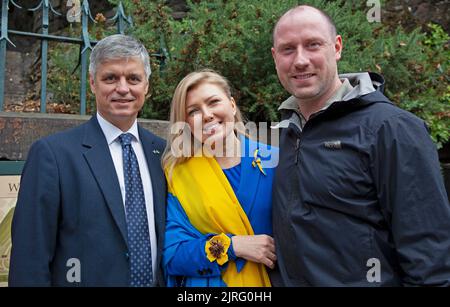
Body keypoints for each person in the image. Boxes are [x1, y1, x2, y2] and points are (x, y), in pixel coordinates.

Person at [270, 5, 450, 286]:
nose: (300, 60)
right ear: (275, 57)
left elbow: (430, 254)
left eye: (313, 45)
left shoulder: (392, 129)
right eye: (288, 49)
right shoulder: (281, 136)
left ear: (337, 47)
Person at [9, 34, 166, 287]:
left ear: (146, 86)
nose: (123, 88)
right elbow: (30, 258)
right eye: (110, 78)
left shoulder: (162, 153)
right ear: (92, 83)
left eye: (133, 79)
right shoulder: (53, 155)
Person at [162, 69, 277, 287]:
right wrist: (233, 246)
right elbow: (172, 255)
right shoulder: (177, 175)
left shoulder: (275, 162)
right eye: (193, 111)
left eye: (213, 102)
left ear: (232, 105)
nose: (206, 115)